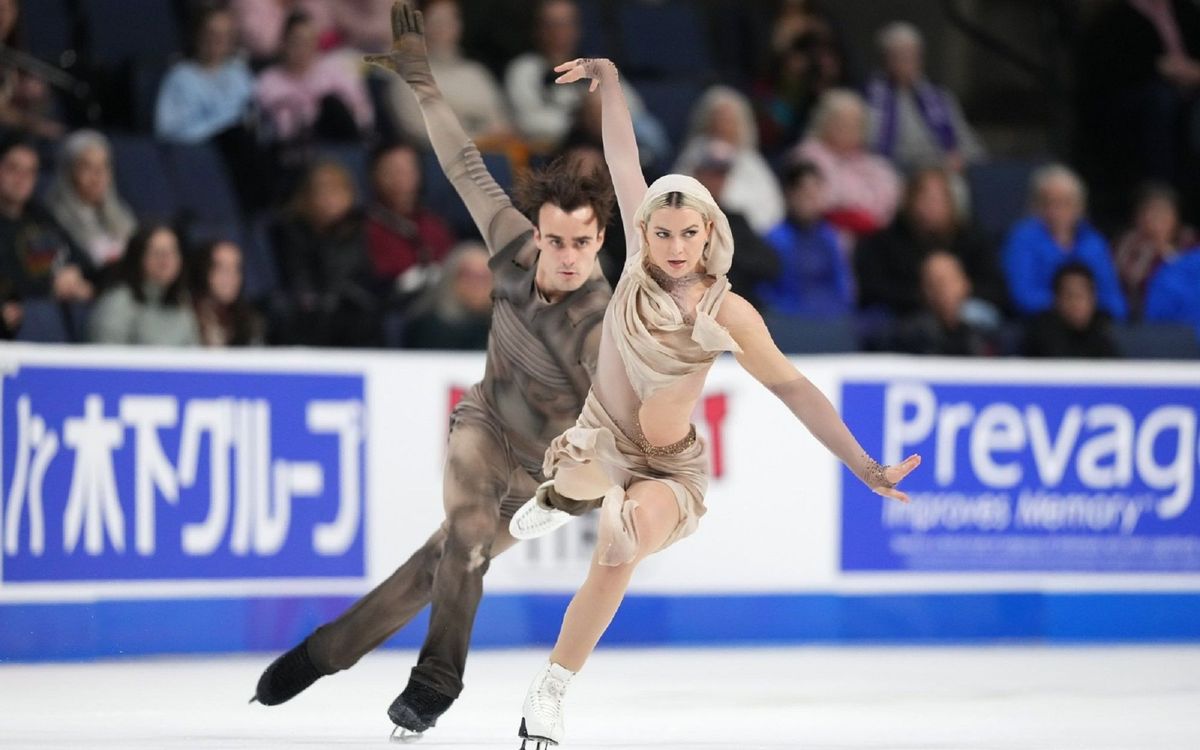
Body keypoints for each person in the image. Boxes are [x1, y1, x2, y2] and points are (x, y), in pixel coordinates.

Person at [505, 55, 919, 749]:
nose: (671, 245)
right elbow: (622, 152)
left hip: (668, 465)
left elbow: (794, 389)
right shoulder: (637, 252)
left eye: (686, 234)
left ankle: (549, 692)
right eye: (661, 232)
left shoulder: (731, 312)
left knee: (623, 539)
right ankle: (558, 499)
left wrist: (864, 465)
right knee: (575, 476)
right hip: (599, 436)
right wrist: (609, 79)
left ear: (709, 234)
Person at [251, 5, 615, 741]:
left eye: (584, 243)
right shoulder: (513, 245)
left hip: (551, 470)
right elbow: (462, 163)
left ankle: (328, 650)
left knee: (440, 564)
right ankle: (435, 683)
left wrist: (587, 482)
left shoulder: (605, 320)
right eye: (556, 241)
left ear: (601, 238)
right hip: (483, 428)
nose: (568, 257)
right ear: (536, 231)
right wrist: (424, 86)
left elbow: (617, 423)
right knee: (469, 533)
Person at [855, 168, 1004, 319]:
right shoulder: (883, 242)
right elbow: (872, 290)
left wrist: (959, 291)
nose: (931, 206)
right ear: (909, 201)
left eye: (939, 199)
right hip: (906, 315)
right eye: (924, 198)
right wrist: (927, 296)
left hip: (965, 311)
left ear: (953, 203)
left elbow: (996, 288)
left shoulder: (972, 238)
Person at [270, 159, 383, 347]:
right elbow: (299, 282)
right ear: (306, 197)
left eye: (336, 190)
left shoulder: (361, 229)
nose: (329, 198)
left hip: (353, 313)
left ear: (350, 195)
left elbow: (363, 279)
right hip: (310, 315)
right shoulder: (290, 233)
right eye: (322, 190)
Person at [1002, 164, 1128, 321]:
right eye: (1049, 203)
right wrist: (1070, 305)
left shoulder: (1094, 242)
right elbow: (1022, 296)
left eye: (1066, 203)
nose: (1057, 211)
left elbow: (1115, 301)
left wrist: (1086, 309)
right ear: (1036, 206)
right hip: (1042, 325)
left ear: (1080, 207)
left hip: (1090, 326)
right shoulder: (1023, 238)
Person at [382, 0, 513, 147]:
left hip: (492, 157)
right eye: (436, 21)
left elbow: (502, 125)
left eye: (451, 20)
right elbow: (418, 132)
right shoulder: (406, 78)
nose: (444, 28)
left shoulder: (477, 73)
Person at [0, 137, 93, 339]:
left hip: (44, 320)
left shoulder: (39, 218)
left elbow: (82, 261)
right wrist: (50, 286)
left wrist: (75, 277)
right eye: (13, 168)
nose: (21, 178)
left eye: (30, 171)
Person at [866, 22, 985, 175]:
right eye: (901, 55)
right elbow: (868, 149)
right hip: (892, 175)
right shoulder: (870, 100)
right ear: (887, 60)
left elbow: (970, 146)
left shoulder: (941, 98)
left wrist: (961, 157)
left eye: (913, 55)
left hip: (943, 175)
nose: (908, 62)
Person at [790, 89, 902, 240]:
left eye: (856, 123)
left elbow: (889, 201)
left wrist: (864, 216)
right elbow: (824, 200)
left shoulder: (874, 162)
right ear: (824, 122)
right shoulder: (808, 155)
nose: (849, 128)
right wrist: (855, 213)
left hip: (872, 236)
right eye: (841, 122)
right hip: (822, 234)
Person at [685, 138, 781, 310]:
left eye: (721, 174)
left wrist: (728, 252)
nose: (717, 181)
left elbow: (771, 265)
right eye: (711, 173)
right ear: (697, 174)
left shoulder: (735, 221)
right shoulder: (677, 219)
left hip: (732, 310)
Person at [675, 86, 786, 235]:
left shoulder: (750, 160)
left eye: (729, 120)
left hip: (746, 234)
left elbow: (772, 206)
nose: (723, 125)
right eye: (718, 118)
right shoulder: (696, 152)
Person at [255, 11, 374, 142]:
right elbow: (271, 129)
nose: (303, 48)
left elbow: (362, 111)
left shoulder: (335, 68)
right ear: (283, 43)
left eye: (309, 41)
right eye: (297, 41)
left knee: (332, 104)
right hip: (295, 147)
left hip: (340, 142)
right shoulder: (269, 80)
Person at [758, 159, 852, 318]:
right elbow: (765, 291)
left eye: (816, 192)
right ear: (790, 195)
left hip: (829, 319)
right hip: (787, 321)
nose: (811, 200)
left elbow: (842, 286)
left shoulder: (829, 237)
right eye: (805, 193)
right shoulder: (774, 239)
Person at [365, 141, 455, 304]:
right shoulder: (365, 228)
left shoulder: (434, 225)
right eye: (391, 171)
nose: (400, 178)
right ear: (374, 175)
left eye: (407, 170)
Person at [44, 130, 137, 282]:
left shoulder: (122, 213)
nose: (97, 175)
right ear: (69, 173)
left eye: (104, 166)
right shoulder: (50, 219)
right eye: (87, 167)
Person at [155, 5, 255, 144]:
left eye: (225, 36)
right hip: (199, 152)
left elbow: (253, 118)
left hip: (238, 150)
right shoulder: (179, 76)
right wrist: (219, 132)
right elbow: (167, 132)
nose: (218, 41)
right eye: (212, 34)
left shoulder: (240, 74)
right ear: (198, 35)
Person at [89, 224, 201, 346]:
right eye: (157, 252)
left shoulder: (181, 305)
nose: (166, 260)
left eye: (172, 251)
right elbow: (105, 359)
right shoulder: (117, 304)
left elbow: (193, 357)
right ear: (138, 257)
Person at [1113, 183, 1196, 317]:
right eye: (1151, 211)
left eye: (1164, 211)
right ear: (1138, 217)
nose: (1157, 218)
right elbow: (1131, 284)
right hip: (1142, 319)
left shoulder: (1190, 242)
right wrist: (1157, 254)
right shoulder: (1127, 245)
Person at [894, 251, 998, 356]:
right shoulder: (908, 336)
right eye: (934, 283)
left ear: (966, 284)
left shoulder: (985, 332)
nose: (942, 289)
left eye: (949, 281)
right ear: (922, 290)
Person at [402, 240, 493, 350]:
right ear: (451, 279)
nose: (477, 285)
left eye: (485, 277)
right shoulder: (429, 327)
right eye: (470, 276)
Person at [1022, 262, 1119, 359]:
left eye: (1081, 296)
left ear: (1093, 299)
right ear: (1057, 300)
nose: (1076, 303)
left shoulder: (1104, 332)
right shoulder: (1040, 335)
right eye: (1070, 296)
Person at [190, 239, 265, 346]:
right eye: (222, 269)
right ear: (204, 271)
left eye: (236, 269)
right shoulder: (187, 317)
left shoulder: (251, 322)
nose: (231, 277)